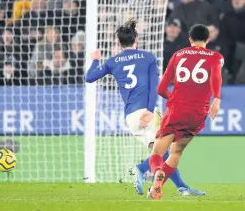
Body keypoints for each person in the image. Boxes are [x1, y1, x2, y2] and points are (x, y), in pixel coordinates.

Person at [86, 19, 204, 196]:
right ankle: (142, 169)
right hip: (147, 112)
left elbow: (90, 77)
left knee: (163, 151)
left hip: (131, 116)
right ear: (137, 40)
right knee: (167, 149)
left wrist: (95, 60)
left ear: (119, 43)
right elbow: (155, 87)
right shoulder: (148, 57)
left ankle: (181, 187)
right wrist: (149, 110)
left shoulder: (112, 61)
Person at [147, 24, 223, 200]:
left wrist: (173, 97)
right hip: (198, 113)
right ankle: (155, 189)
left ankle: (158, 173)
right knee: (176, 152)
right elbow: (217, 77)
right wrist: (217, 99)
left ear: (190, 39)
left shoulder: (178, 55)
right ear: (208, 39)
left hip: (176, 109)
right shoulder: (216, 56)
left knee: (157, 153)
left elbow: (161, 89)